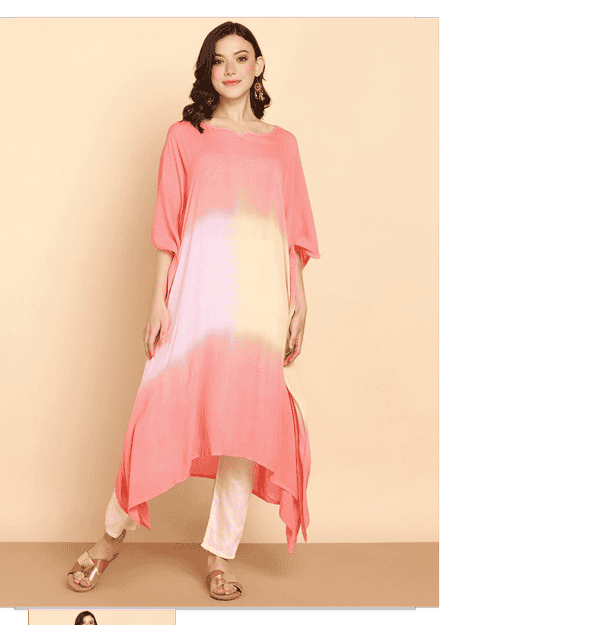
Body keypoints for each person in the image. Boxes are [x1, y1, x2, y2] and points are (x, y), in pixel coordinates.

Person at [67, 21, 320, 601]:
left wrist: (298, 301)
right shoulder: (186, 137)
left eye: (241, 58)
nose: (230, 69)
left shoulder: (283, 145)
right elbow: (168, 227)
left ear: (258, 66)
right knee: (158, 407)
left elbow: (293, 233)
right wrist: (159, 301)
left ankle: (219, 555)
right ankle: (110, 537)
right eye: (218, 60)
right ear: (208, 71)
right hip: (198, 296)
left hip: (261, 303)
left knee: (245, 425)